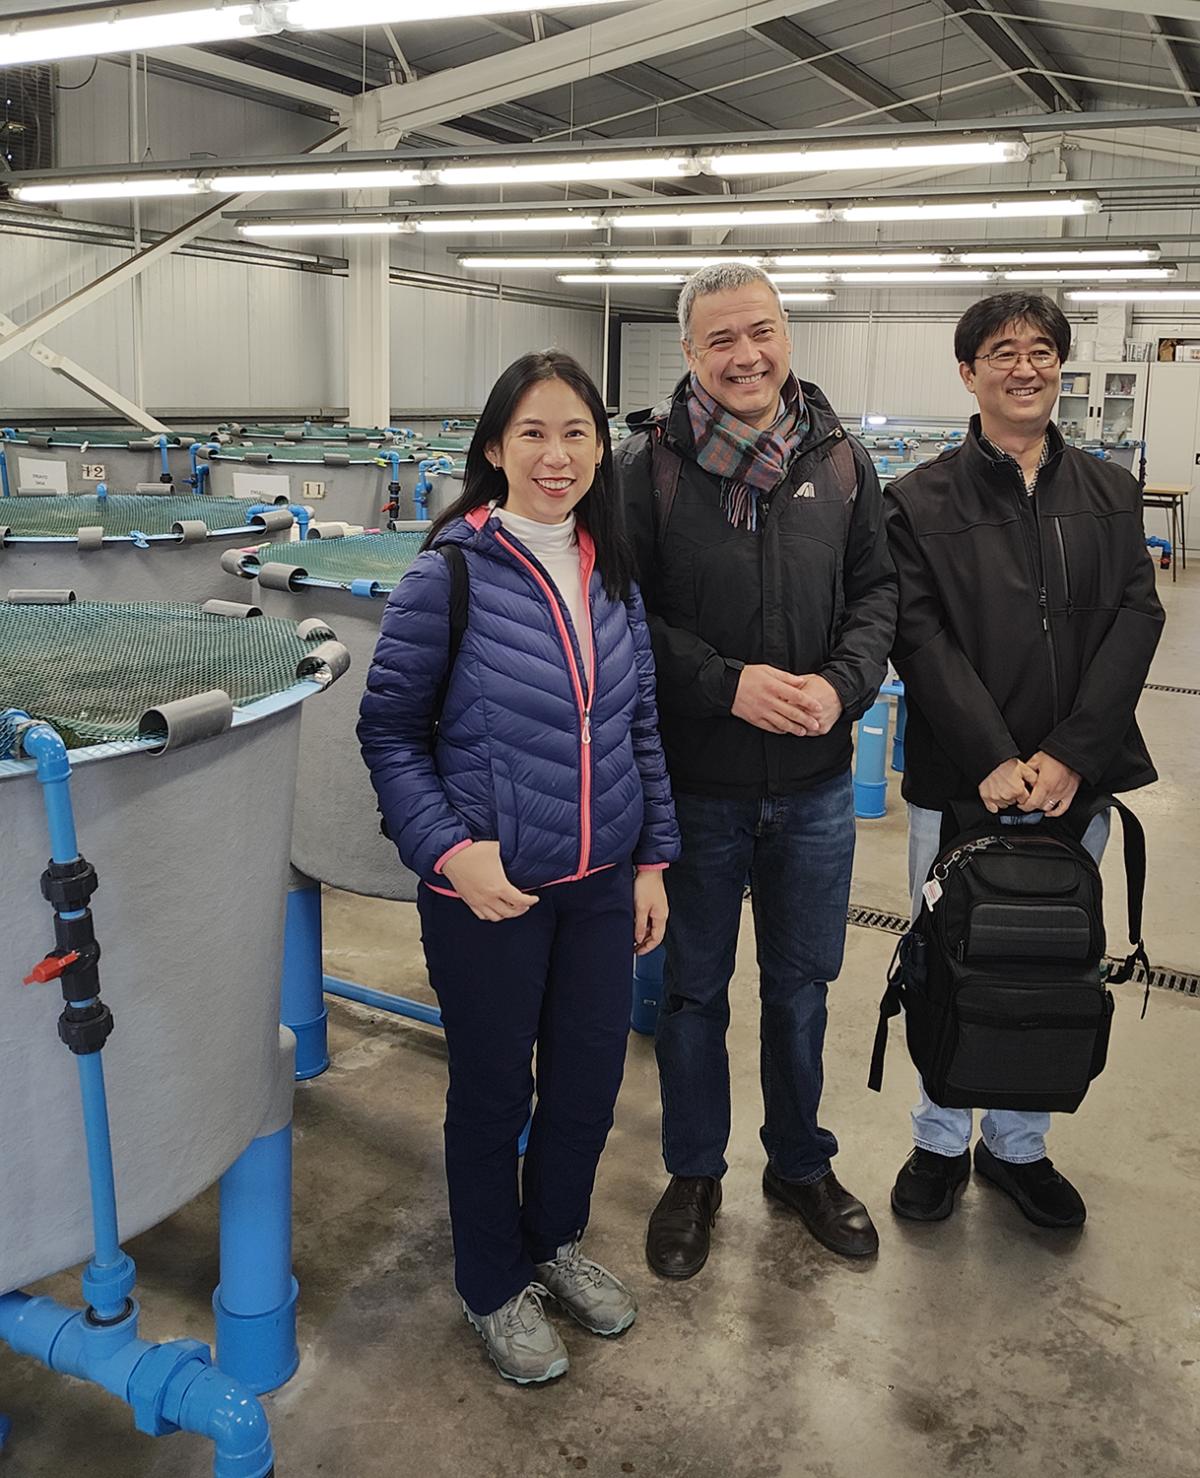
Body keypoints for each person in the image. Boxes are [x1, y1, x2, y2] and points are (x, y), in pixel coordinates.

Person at [358, 349, 680, 1384]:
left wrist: (651, 858)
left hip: (599, 883)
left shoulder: (611, 568)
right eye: (533, 432)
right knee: (496, 1092)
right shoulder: (448, 569)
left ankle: (553, 1239)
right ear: (494, 446)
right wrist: (450, 848)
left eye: (576, 432)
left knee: (587, 1085)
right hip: (489, 893)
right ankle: (492, 1282)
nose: (556, 453)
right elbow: (390, 733)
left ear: (601, 448)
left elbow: (638, 728)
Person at [615, 262, 897, 1276]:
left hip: (817, 786)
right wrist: (724, 683)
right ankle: (694, 1170)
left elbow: (877, 596)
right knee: (692, 992)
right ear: (689, 353)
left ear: (787, 335)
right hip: (695, 786)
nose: (747, 355)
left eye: (762, 331)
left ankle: (798, 1161)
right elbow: (624, 618)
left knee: (802, 988)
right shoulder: (644, 467)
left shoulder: (842, 463)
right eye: (722, 338)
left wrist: (845, 684)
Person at [885, 291, 1165, 1228]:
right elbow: (917, 637)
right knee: (945, 956)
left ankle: (1017, 1148)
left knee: (1049, 964)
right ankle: (935, 1141)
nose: (1025, 367)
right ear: (969, 372)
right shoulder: (918, 500)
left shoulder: (1109, 491)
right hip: (963, 782)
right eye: (1002, 352)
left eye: (1042, 351)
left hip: (1073, 786)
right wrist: (992, 757)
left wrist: (1072, 755)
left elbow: (1137, 616)